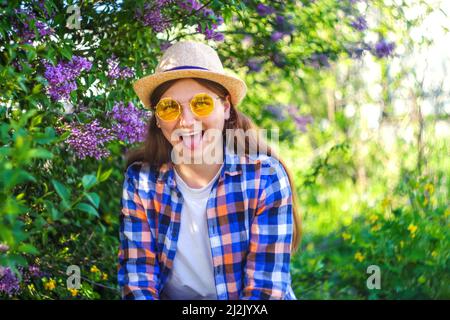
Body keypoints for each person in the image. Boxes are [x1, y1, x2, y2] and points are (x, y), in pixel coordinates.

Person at [117, 40, 301, 300]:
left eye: (201, 103)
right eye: (169, 108)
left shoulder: (265, 178)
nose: (187, 120)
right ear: (158, 119)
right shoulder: (141, 183)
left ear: (225, 108)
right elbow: (138, 284)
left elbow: (265, 293)